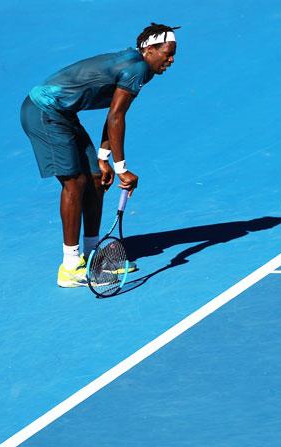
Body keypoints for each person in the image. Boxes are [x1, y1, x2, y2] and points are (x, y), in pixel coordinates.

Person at [20, 23, 179, 287]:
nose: (171, 59)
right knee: (75, 183)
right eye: (167, 53)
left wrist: (104, 160)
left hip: (63, 114)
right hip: (43, 112)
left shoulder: (142, 70)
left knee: (95, 178)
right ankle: (70, 266)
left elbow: (115, 115)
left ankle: (94, 258)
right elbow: (116, 117)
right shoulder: (137, 68)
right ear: (150, 50)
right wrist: (122, 167)